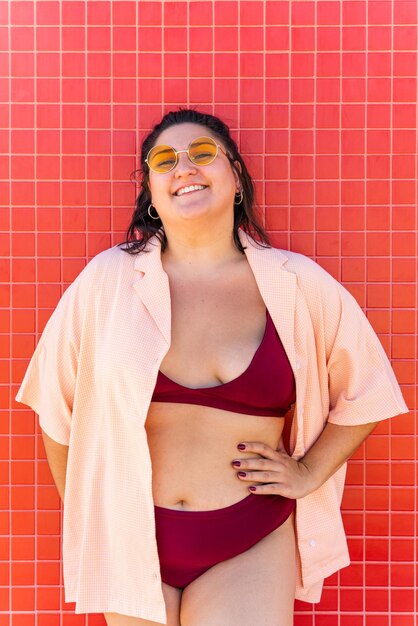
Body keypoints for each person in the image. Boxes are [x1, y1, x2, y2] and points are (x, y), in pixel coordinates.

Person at [15, 107, 409, 626]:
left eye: (203, 153)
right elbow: (55, 406)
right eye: (164, 160)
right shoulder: (107, 281)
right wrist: (90, 517)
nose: (184, 168)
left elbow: (369, 390)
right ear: (152, 194)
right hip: (132, 537)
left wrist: (310, 473)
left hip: (248, 539)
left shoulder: (297, 284)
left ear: (237, 177)